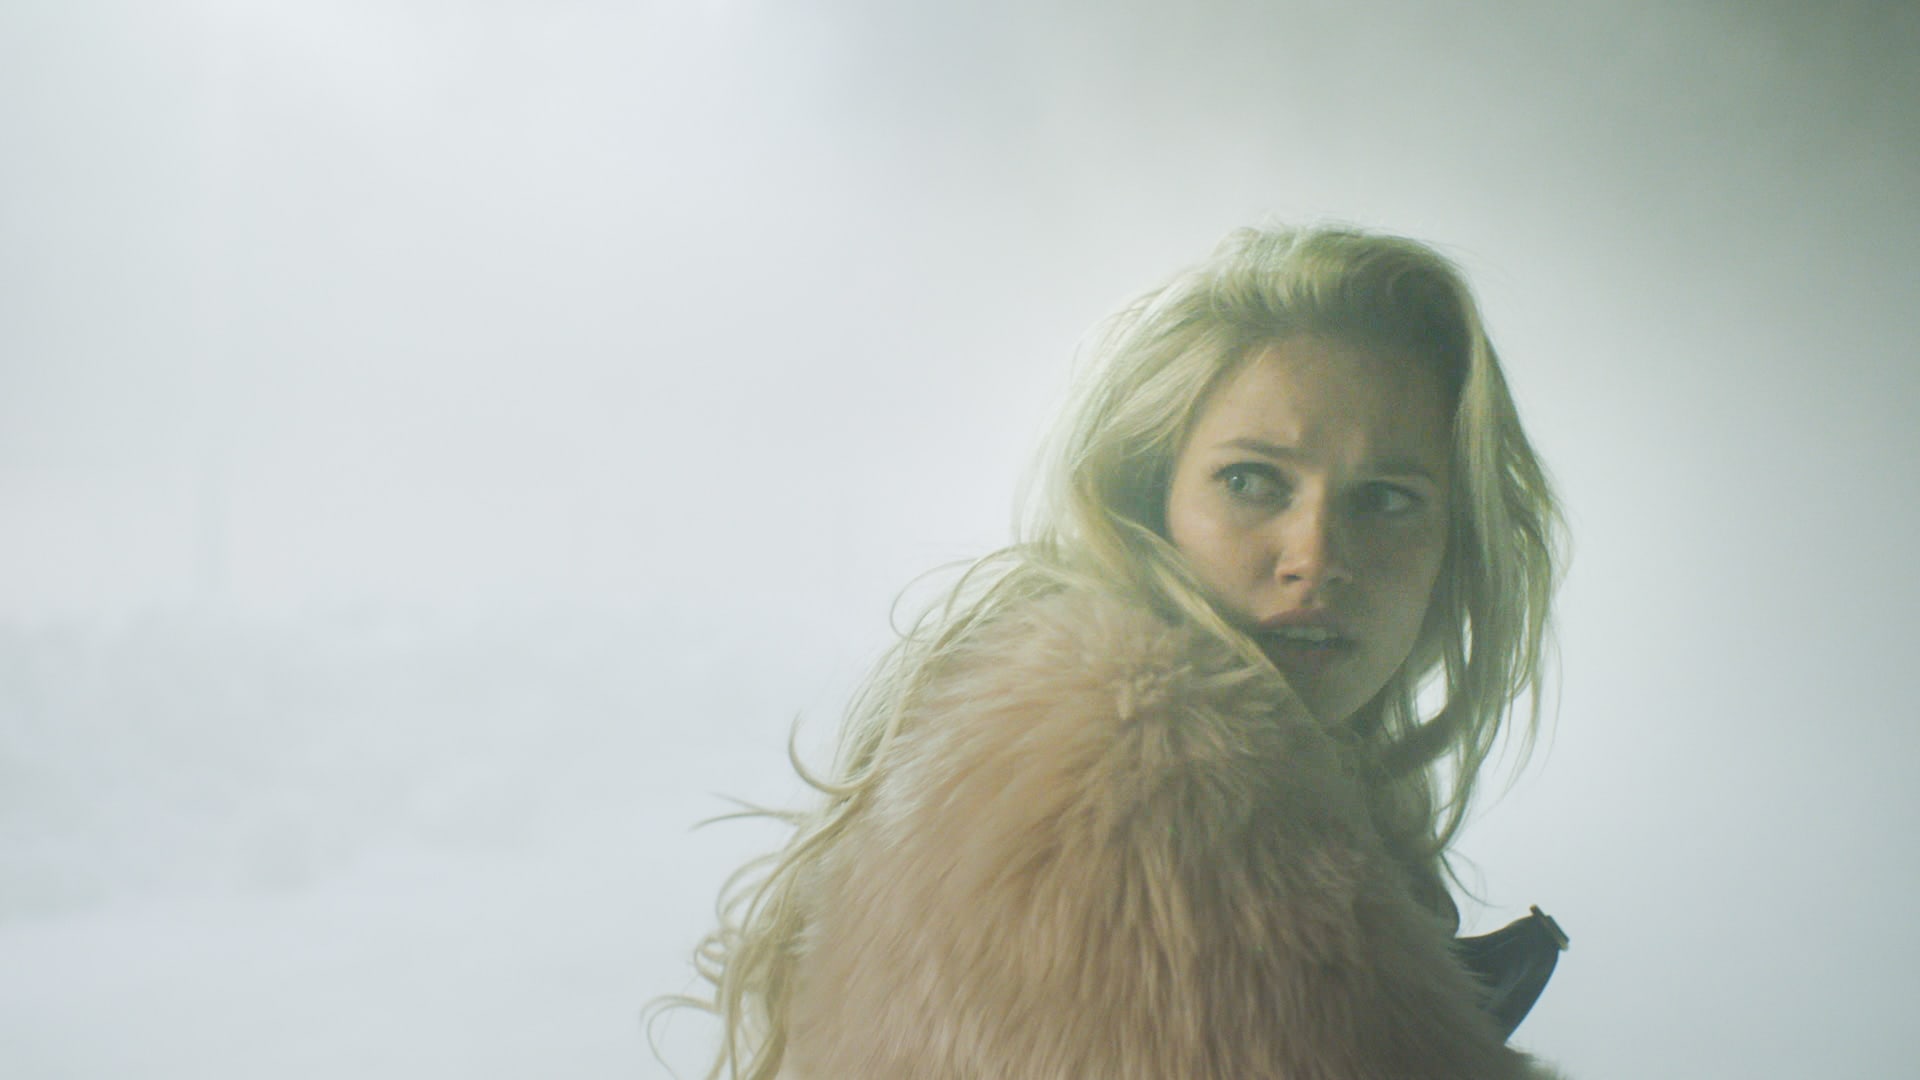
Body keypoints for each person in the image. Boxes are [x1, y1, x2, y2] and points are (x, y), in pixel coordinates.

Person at [667, 223, 1567, 1078]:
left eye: (1388, 499)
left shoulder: (1262, 805)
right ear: (1147, 498)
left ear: (1456, 544)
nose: (1316, 557)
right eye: (1252, 481)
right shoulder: (1142, 795)